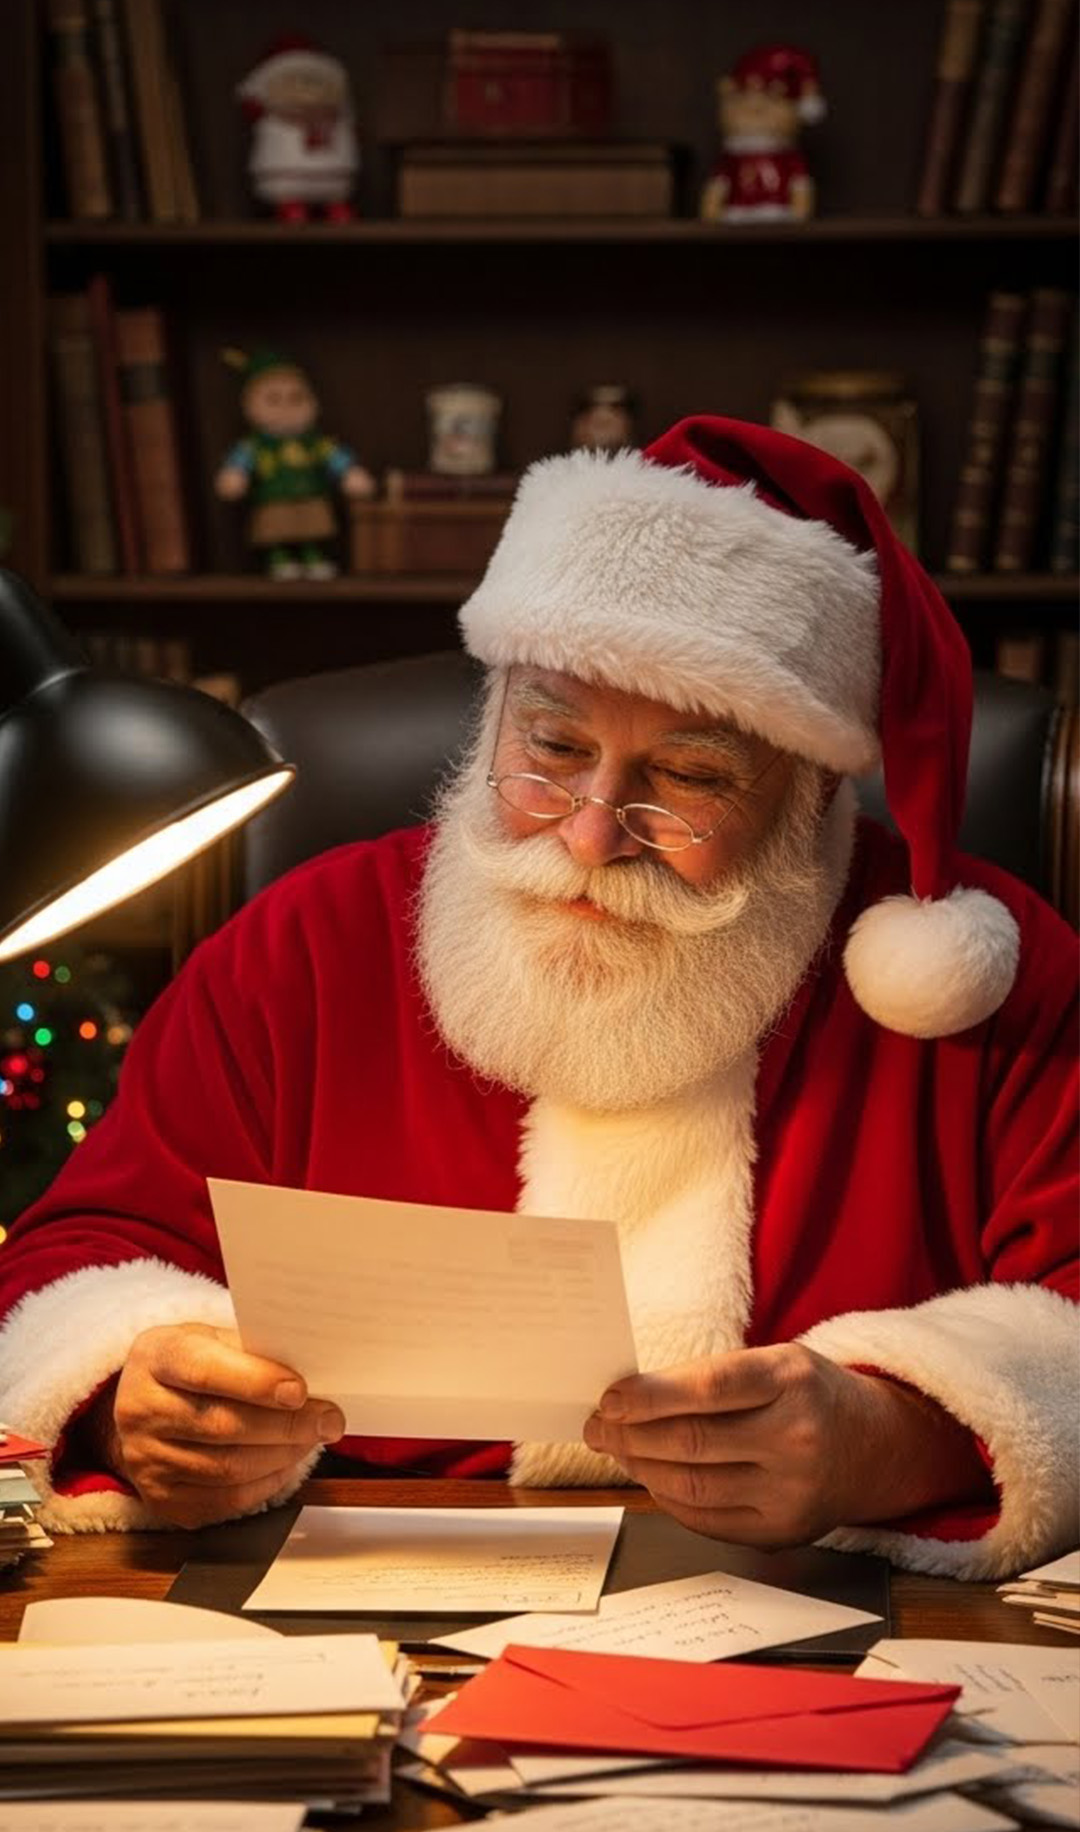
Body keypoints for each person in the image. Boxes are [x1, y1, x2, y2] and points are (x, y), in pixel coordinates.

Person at [1, 416, 1076, 1576]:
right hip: (348, 1601)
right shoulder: (311, 943)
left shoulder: (974, 976)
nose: (592, 832)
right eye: (554, 746)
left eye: (692, 776)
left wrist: (898, 1438)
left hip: (843, 1599)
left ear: (814, 798)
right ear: (492, 713)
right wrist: (133, 1396)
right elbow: (83, 1249)